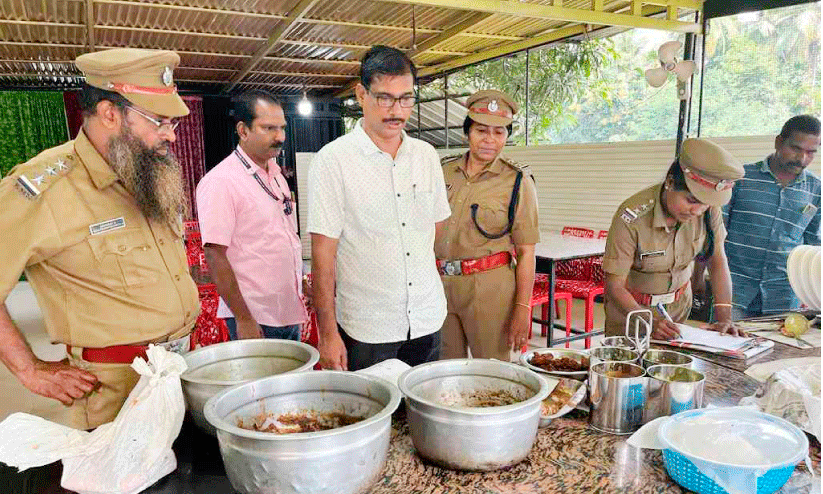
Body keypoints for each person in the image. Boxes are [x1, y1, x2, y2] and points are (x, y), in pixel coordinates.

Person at [0, 48, 199, 430]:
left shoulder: (147, 175)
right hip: (115, 396)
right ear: (110, 114)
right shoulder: (45, 188)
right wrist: (31, 369)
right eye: (159, 120)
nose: (171, 134)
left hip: (179, 373)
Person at [308, 45, 450, 371]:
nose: (396, 110)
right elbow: (322, 255)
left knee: (421, 416)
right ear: (361, 94)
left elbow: (435, 228)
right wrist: (327, 333)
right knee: (370, 416)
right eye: (384, 98)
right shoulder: (333, 160)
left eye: (406, 98)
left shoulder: (426, 155)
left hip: (427, 318)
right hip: (367, 327)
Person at [603, 138, 745, 340]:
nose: (697, 211)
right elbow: (614, 286)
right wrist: (649, 321)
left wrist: (724, 317)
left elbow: (717, 259)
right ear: (670, 183)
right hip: (632, 313)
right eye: (691, 200)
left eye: (704, 204)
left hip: (679, 309)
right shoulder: (632, 217)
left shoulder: (708, 210)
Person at [196, 91, 309, 341]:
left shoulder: (277, 175)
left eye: (282, 128)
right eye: (269, 128)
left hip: (288, 309)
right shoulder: (221, 181)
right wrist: (243, 318)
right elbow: (215, 254)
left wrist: (302, 280)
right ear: (243, 130)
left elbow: (282, 238)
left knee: (294, 380)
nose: (280, 137)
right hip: (255, 317)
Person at [436, 90, 539, 360]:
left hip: (489, 288)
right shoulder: (441, 171)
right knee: (444, 371)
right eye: (482, 131)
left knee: (492, 371)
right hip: (439, 286)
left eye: (499, 133)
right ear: (467, 132)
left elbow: (527, 252)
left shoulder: (517, 181)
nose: (489, 140)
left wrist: (522, 308)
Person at [723, 115, 821, 319]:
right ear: (778, 142)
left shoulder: (816, 189)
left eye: (811, 152)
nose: (802, 159)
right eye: (796, 148)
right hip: (733, 293)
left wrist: (812, 293)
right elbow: (716, 233)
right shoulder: (741, 178)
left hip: (784, 298)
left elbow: (813, 246)